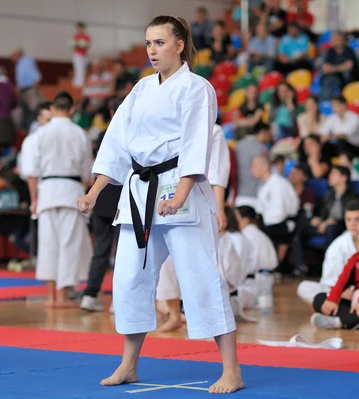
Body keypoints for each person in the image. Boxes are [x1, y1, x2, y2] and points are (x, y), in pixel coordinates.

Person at [77, 15, 243, 394]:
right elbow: (116, 144)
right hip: (139, 192)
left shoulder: (196, 88)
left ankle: (231, 369)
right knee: (130, 278)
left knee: (200, 276)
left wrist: (181, 193)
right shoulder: (139, 90)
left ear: (180, 44)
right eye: (148, 43)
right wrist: (95, 190)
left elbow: (196, 143)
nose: (152, 50)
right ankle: (129, 364)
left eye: (160, 42)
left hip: (178, 189)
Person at [154, 121, 231, 332]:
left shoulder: (213, 131)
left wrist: (219, 207)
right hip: (167, 196)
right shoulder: (171, 129)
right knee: (166, 261)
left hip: (199, 197)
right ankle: (174, 313)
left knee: (203, 261)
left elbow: (217, 172)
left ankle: (211, 318)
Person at [27, 91, 93, 308]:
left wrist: (34, 200)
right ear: (72, 110)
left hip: (47, 191)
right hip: (71, 190)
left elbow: (31, 172)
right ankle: (63, 296)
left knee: (47, 244)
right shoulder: (79, 133)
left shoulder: (40, 134)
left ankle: (50, 296)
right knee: (69, 244)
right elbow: (87, 173)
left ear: (53, 109)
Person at [80, 97, 123, 312]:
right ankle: (118, 300)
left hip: (101, 197)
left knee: (101, 250)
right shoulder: (129, 132)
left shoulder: (103, 134)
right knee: (123, 251)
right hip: (121, 198)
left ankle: (90, 294)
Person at [310, 217, 359, 330]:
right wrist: (332, 299)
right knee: (320, 299)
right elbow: (343, 279)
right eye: (358, 232)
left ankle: (340, 322)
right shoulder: (357, 257)